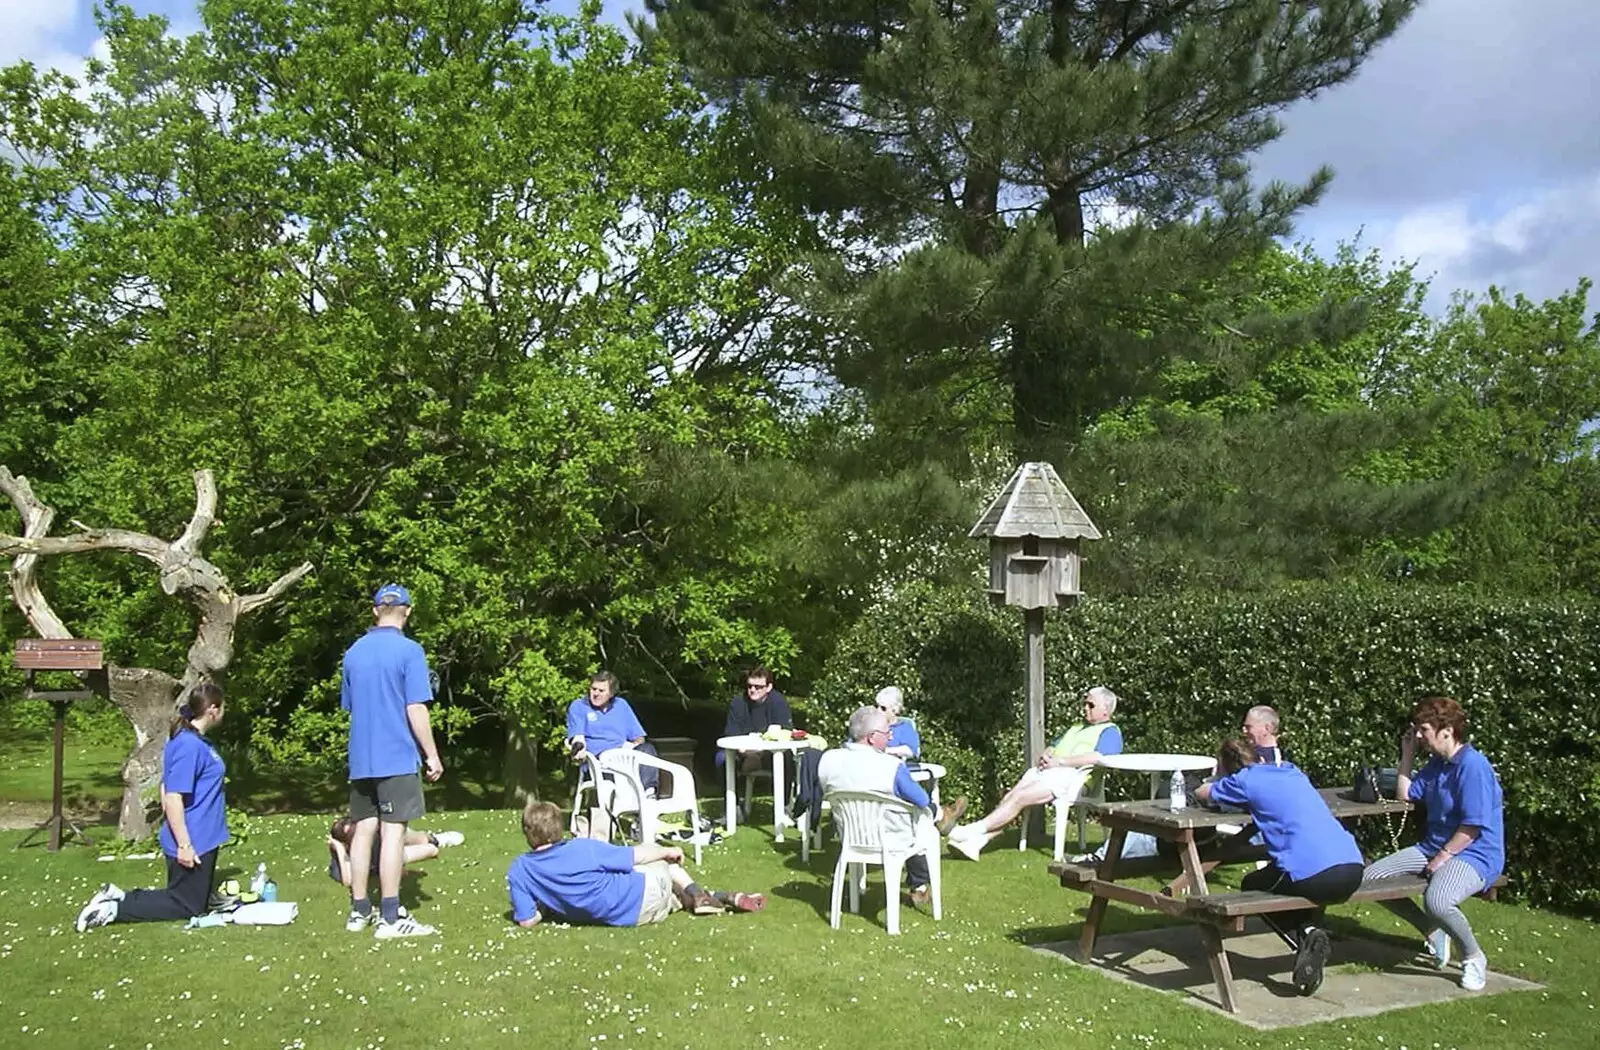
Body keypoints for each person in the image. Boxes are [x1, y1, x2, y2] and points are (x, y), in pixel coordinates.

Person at [1194, 739, 1364, 995]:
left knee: (1252, 885)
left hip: (1314, 873)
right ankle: (1310, 934)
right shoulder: (1291, 771)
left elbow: (1201, 794)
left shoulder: (1243, 781)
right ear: (1260, 758)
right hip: (1352, 867)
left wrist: (1216, 777)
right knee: (1289, 886)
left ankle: (1306, 936)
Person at [1361, 695, 1504, 992]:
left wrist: (1442, 858)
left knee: (1437, 900)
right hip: (1433, 846)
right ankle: (1431, 930)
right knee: (1368, 879)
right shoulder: (1438, 764)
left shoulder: (1472, 766)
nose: (1419, 736)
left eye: (1423, 730)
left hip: (1474, 852)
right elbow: (1406, 794)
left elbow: (1473, 826)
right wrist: (1407, 755)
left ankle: (1473, 956)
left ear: (1446, 731)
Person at [76, 683, 230, 931]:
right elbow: (171, 796)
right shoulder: (188, 745)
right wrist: (184, 844)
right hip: (193, 837)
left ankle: (119, 896)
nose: (224, 712)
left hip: (203, 835)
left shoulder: (194, 741)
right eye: (222, 707)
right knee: (184, 905)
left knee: (195, 902)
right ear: (212, 709)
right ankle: (113, 910)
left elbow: (164, 786)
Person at [340, 583, 444, 938]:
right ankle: (390, 917)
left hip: (360, 758)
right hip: (396, 755)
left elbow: (351, 706)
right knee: (394, 833)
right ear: (407, 611)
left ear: (374, 611)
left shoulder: (353, 653)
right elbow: (415, 708)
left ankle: (358, 911)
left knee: (363, 831)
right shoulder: (410, 651)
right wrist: (431, 754)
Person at [507, 800, 765, 926]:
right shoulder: (581, 848)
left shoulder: (520, 870)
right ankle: (701, 894)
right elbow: (634, 856)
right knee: (665, 865)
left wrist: (548, 906)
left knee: (674, 896)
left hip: (638, 917)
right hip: (647, 893)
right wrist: (668, 850)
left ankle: (713, 898)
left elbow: (527, 921)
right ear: (558, 828)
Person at [816, 705, 968, 908]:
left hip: (850, 835)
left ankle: (944, 818)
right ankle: (941, 820)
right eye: (887, 733)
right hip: (891, 838)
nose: (889, 738)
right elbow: (921, 799)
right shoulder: (891, 766)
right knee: (921, 813)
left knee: (907, 807)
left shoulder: (828, 760)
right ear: (871, 737)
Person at [948, 686, 1123, 861]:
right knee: (1011, 797)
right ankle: (976, 843)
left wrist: (1060, 762)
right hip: (1049, 771)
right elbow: (1055, 744)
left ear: (1105, 710)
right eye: (1084, 703)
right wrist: (1047, 754)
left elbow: (1098, 758)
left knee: (1020, 799)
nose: (1085, 707)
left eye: (1090, 705)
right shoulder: (1077, 726)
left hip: (1073, 779)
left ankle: (967, 832)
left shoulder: (1110, 732)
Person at [565, 671, 661, 795]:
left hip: (624, 756)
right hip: (599, 761)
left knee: (648, 749)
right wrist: (579, 749)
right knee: (611, 763)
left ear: (611, 693)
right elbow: (578, 737)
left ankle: (649, 794)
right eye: (594, 689)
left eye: (601, 691)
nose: (596, 694)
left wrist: (630, 746)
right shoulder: (579, 706)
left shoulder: (621, 705)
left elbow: (639, 737)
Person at [718, 666, 795, 811]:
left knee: (787, 757)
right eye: (749, 686)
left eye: (758, 687)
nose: (752, 690)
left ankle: (784, 807)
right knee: (721, 759)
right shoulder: (738, 703)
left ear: (769, 687)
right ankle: (733, 808)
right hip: (742, 752)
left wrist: (758, 754)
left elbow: (785, 734)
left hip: (770, 754)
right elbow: (731, 735)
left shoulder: (778, 702)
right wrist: (746, 754)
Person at [326, 816, 465, 888]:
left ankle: (435, 838)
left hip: (388, 847)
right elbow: (349, 881)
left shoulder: (372, 835)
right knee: (431, 850)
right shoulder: (341, 854)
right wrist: (339, 849)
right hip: (389, 858)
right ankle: (431, 842)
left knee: (406, 836)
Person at [874, 686, 919, 760]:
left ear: (895, 710)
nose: (878, 710)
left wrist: (885, 750)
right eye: (876, 706)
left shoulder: (904, 727)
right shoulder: (869, 723)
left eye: (883, 708)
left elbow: (911, 751)